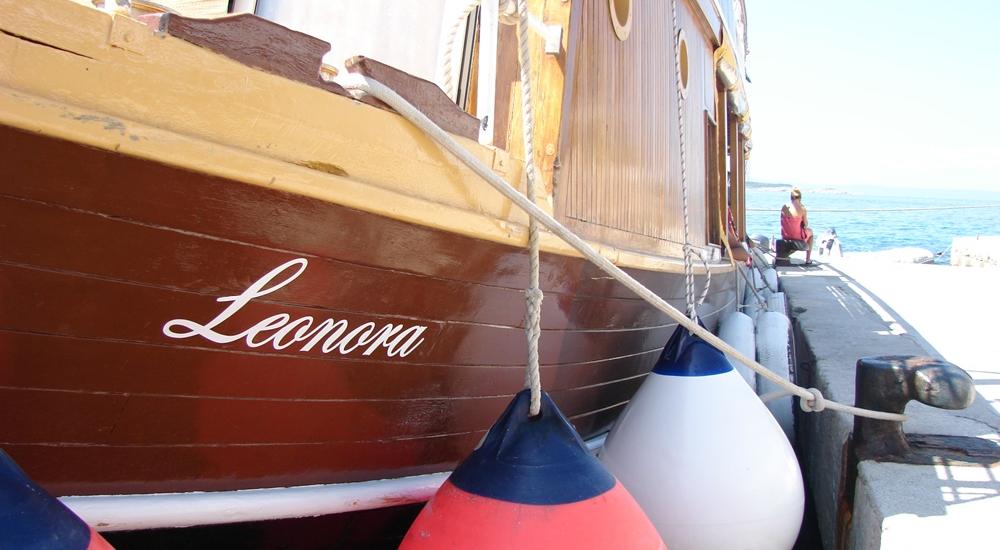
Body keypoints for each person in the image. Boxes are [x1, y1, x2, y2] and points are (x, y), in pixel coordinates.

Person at [780, 187, 813, 264]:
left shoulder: (784, 207)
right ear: (800, 197)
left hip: (785, 236)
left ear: (791, 197)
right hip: (797, 237)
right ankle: (808, 259)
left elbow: (782, 222)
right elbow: (806, 224)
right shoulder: (802, 209)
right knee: (811, 232)